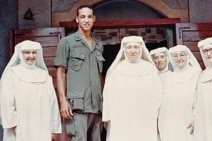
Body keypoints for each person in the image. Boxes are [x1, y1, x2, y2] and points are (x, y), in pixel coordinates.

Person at [53, 4, 105, 141]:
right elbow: (61, 72)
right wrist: (63, 101)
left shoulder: (99, 45)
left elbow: (100, 75)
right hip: (76, 108)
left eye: (89, 17)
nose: (86, 20)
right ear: (77, 19)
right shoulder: (67, 42)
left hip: (97, 108)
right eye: (82, 17)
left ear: (94, 19)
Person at [102, 36, 163, 141]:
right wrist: (107, 116)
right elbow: (108, 95)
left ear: (141, 49)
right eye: (129, 47)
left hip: (145, 115)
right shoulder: (116, 70)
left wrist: (157, 115)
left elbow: (158, 94)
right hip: (121, 116)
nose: (132, 51)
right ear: (124, 49)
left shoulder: (150, 68)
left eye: (136, 47)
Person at [0, 40, 62, 141]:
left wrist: (53, 130)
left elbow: (53, 103)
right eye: (27, 52)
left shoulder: (44, 75)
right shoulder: (12, 74)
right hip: (21, 126)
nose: (31, 56)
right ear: (20, 54)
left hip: (42, 126)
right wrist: (14, 125)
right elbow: (7, 102)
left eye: (34, 52)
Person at [158, 45, 201, 141]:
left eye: (182, 55)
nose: (179, 58)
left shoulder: (196, 73)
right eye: (175, 56)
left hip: (188, 118)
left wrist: (196, 116)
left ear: (188, 57)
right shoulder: (168, 76)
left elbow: (200, 97)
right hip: (168, 120)